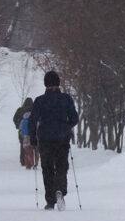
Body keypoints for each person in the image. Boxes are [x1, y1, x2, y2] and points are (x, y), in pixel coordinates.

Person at [28, 71, 79, 210]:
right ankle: (60, 190)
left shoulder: (40, 101)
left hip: (45, 139)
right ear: (58, 83)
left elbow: (32, 121)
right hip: (62, 138)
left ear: (45, 84)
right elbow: (74, 118)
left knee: (47, 168)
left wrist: (33, 137)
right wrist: (66, 127)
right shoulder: (66, 99)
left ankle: (50, 200)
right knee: (62, 166)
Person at [12, 98, 35, 168]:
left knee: (23, 146)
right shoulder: (35, 110)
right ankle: (32, 161)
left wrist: (18, 125)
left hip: (22, 132)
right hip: (33, 132)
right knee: (33, 146)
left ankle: (23, 161)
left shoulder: (20, 110)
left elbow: (14, 118)